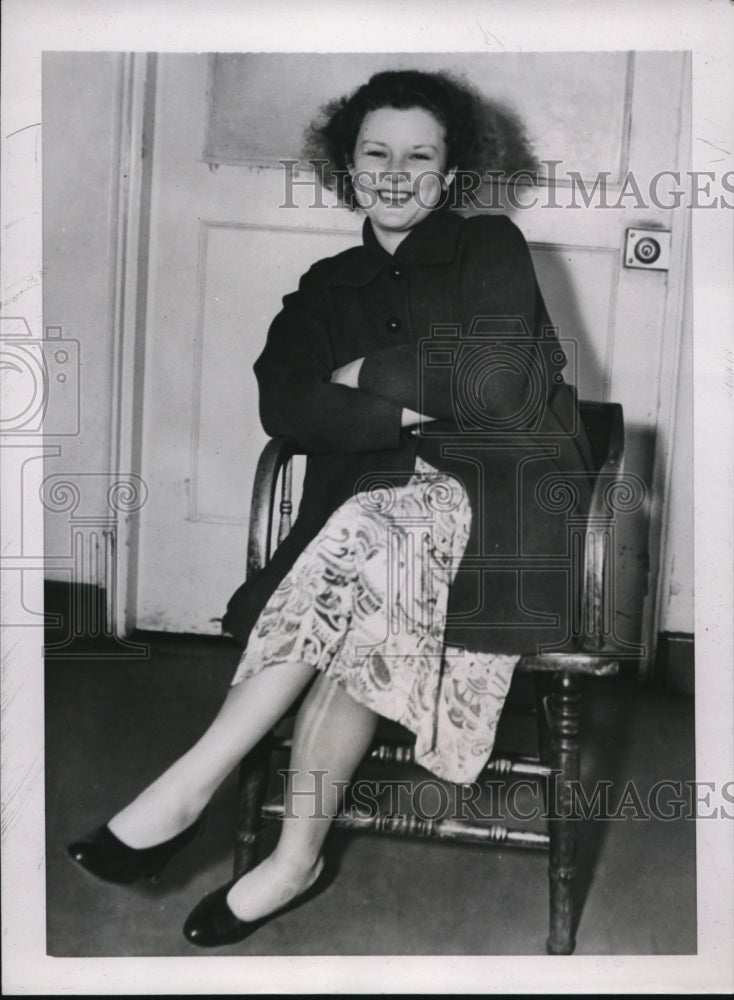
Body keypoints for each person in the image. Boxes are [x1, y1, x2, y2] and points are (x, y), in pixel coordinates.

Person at [68, 69, 595, 948]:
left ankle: (187, 790)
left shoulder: (489, 245)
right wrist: (417, 395)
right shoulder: (326, 286)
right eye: (375, 155)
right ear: (347, 168)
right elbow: (286, 406)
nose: (396, 174)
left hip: (500, 512)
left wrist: (359, 381)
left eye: (419, 156)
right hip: (371, 526)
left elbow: (501, 385)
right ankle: (294, 859)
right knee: (367, 566)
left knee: (367, 535)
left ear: (452, 172)